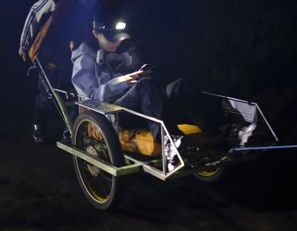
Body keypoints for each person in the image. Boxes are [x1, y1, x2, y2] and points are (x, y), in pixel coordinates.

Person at [71, 18, 229, 144]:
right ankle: (166, 140)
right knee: (144, 85)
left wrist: (139, 69)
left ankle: (219, 127)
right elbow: (90, 98)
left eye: (118, 38)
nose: (116, 42)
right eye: (111, 38)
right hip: (113, 113)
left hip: (141, 101)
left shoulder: (120, 52)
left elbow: (139, 75)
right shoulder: (83, 61)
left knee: (179, 85)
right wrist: (122, 81)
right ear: (95, 33)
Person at [18, 0, 116, 143]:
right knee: (48, 94)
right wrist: (24, 44)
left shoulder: (100, 1)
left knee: (77, 92)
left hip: (78, 53)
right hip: (50, 53)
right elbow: (35, 12)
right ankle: (39, 124)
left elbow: (101, 27)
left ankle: (71, 128)